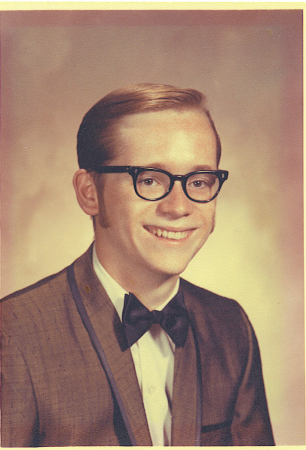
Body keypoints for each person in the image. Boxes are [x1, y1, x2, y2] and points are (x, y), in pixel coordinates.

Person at [1, 83, 274, 447]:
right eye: (149, 179)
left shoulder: (229, 326)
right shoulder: (15, 333)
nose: (179, 207)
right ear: (89, 192)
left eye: (199, 180)